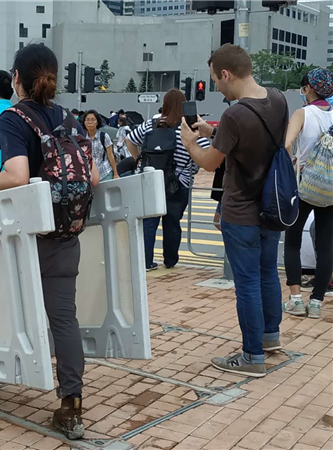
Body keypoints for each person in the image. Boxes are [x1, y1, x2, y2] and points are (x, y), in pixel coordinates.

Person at [0, 43, 100, 440]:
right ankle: (71, 406)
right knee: (63, 319)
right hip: (64, 233)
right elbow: (94, 178)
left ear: (16, 77)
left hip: (23, 232)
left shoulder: (14, 117)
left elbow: (16, 175)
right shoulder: (69, 118)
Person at [181, 43, 288, 378]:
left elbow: (210, 162)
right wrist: (213, 132)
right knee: (268, 273)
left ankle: (251, 356)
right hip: (271, 205)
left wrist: (190, 142)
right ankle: (270, 337)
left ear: (226, 74)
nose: (216, 86)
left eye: (215, 79)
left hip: (241, 211)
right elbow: (253, 140)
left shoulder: (234, 114)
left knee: (247, 283)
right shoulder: (278, 99)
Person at [126, 89, 210, 271]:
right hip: (179, 183)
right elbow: (205, 151)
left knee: (149, 222)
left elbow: (129, 140)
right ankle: (170, 260)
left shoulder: (151, 124)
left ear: (164, 104)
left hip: (151, 180)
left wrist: (140, 160)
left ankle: (146, 262)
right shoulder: (188, 127)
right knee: (172, 223)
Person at [283, 67, 333, 319]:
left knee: (292, 241)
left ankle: (295, 300)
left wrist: (294, 163)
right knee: (326, 245)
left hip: (305, 186)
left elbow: (287, 143)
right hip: (331, 188)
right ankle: (316, 303)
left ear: (309, 88)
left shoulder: (302, 113)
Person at [83, 110, 119, 181]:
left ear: (97, 122)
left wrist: (115, 173)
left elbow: (110, 155)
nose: (90, 122)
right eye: (87, 120)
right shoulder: (83, 139)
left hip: (105, 172)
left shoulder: (104, 136)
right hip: (90, 175)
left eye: (93, 119)